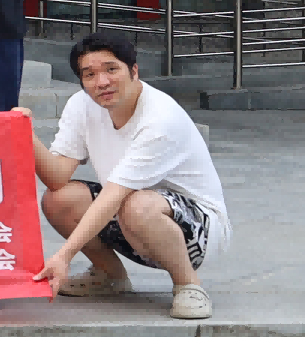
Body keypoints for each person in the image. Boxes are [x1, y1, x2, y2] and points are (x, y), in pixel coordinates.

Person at [35, 29, 227, 319]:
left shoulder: (160, 118)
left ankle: (188, 285)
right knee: (59, 198)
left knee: (137, 205)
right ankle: (109, 276)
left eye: (111, 69)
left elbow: (114, 195)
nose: (102, 82)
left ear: (134, 70)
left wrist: (63, 256)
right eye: (89, 75)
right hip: (130, 215)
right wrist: (25, 134)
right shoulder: (81, 105)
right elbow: (57, 177)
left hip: (197, 231)